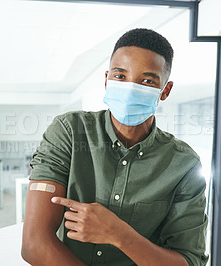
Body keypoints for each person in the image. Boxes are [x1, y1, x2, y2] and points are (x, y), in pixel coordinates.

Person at [22, 28, 208, 266]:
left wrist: (120, 235)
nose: (130, 88)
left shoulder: (184, 165)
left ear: (165, 91)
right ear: (107, 79)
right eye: (121, 77)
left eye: (147, 81)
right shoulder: (68, 131)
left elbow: (189, 261)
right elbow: (34, 244)